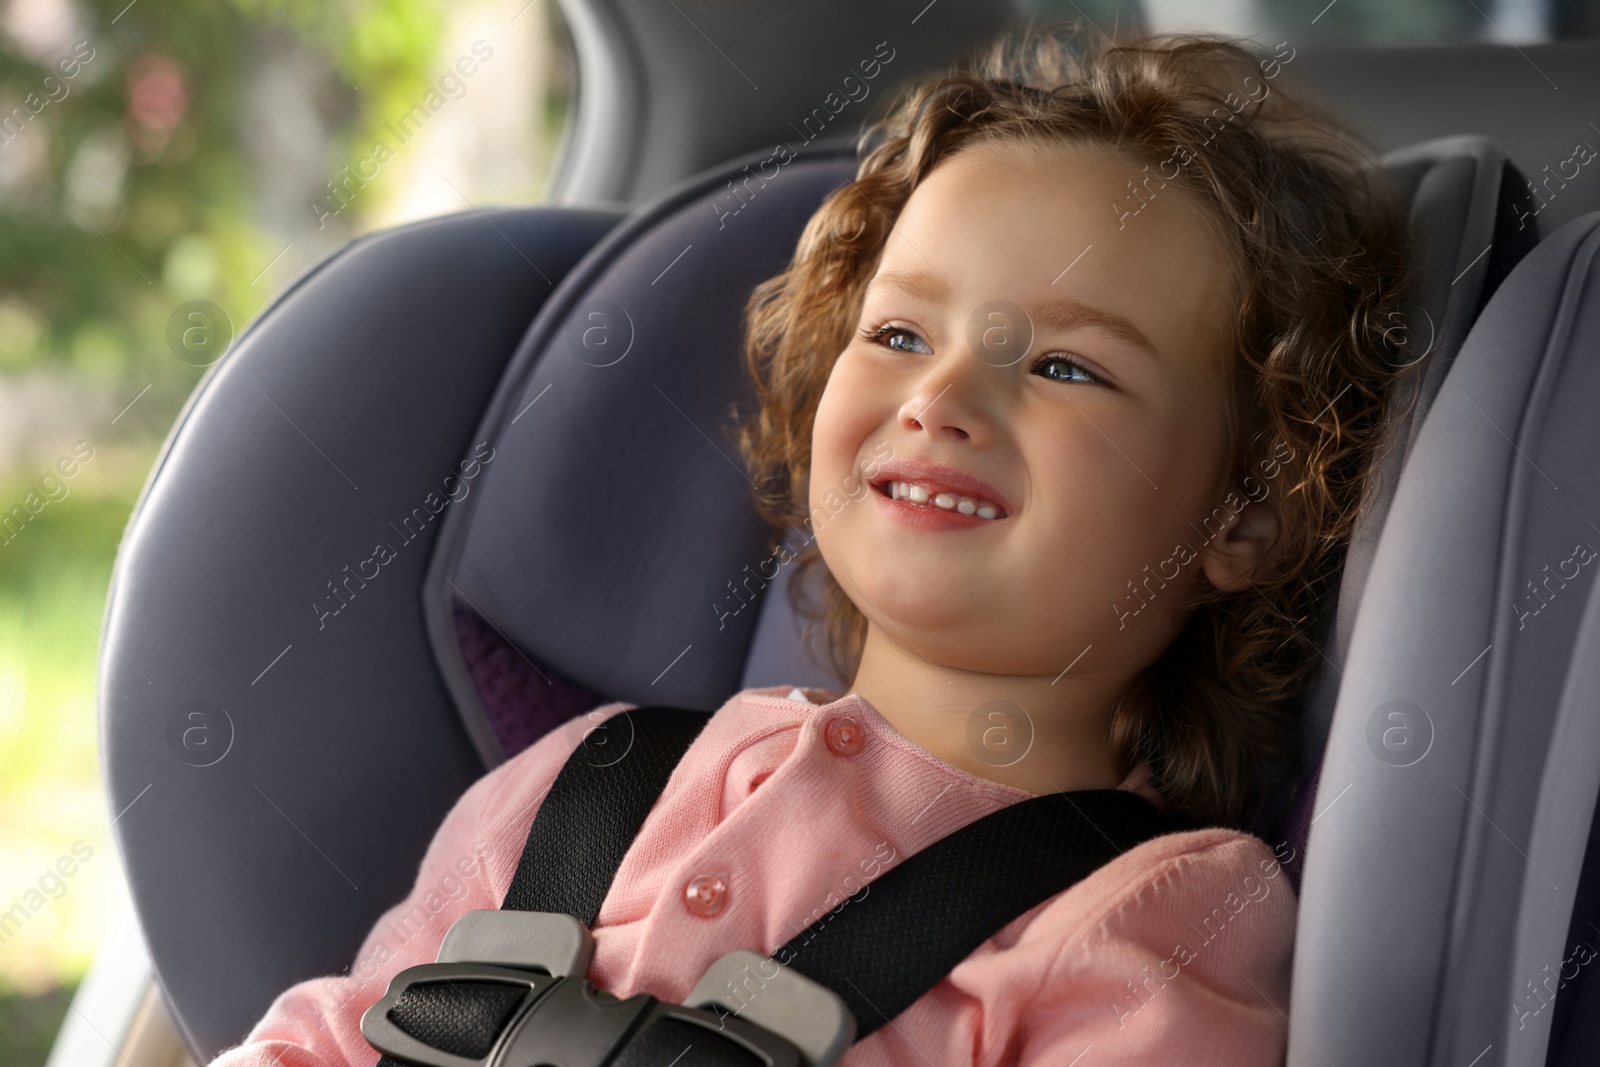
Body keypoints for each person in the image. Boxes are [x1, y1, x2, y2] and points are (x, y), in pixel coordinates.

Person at [207, 18, 1417, 1066]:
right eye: (897, 333)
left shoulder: (1148, 911)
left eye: (1063, 365)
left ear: (1240, 513)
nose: (941, 396)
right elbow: (341, 1026)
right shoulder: (586, 785)